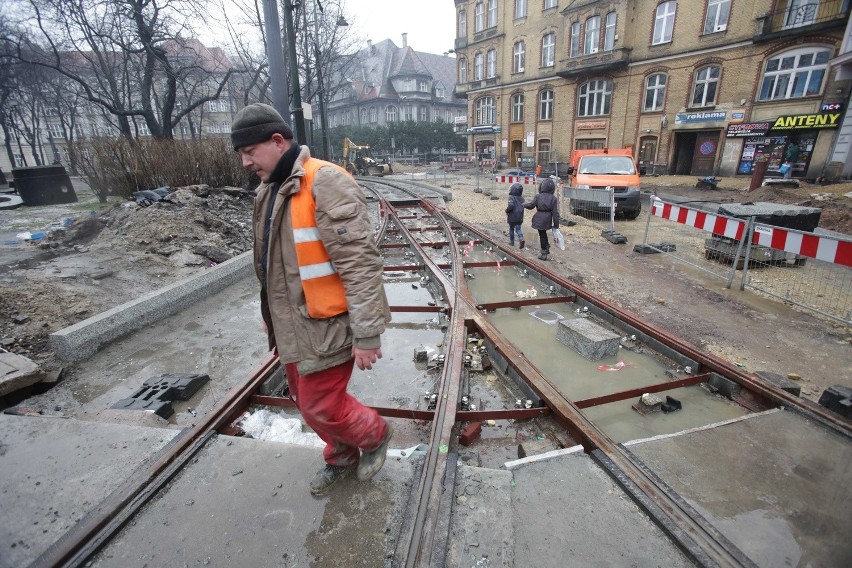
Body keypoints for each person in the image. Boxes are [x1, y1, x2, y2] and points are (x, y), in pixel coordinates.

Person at [231, 103, 393, 496]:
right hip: (293, 325)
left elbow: (359, 263)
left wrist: (367, 333)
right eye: (241, 154)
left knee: (321, 404)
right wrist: (272, 316)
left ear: (277, 140)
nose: (245, 162)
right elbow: (274, 265)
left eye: (250, 152)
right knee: (305, 403)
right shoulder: (269, 191)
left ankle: (374, 435)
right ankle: (341, 456)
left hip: (327, 325)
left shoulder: (325, 181)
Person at [524, 178, 559, 261]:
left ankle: (544, 253)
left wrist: (524, 205)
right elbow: (555, 213)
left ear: (542, 187)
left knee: (542, 235)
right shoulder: (553, 198)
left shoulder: (538, 196)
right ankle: (546, 247)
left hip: (539, 217)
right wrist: (556, 224)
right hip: (547, 219)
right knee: (543, 234)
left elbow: (531, 206)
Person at [505, 182, 526, 249]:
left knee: (511, 228)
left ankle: (512, 242)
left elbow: (511, 206)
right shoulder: (522, 198)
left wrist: (507, 210)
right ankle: (521, 238)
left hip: (512, 216)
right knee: (518, 229)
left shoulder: (511, 197)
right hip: (520, 216)